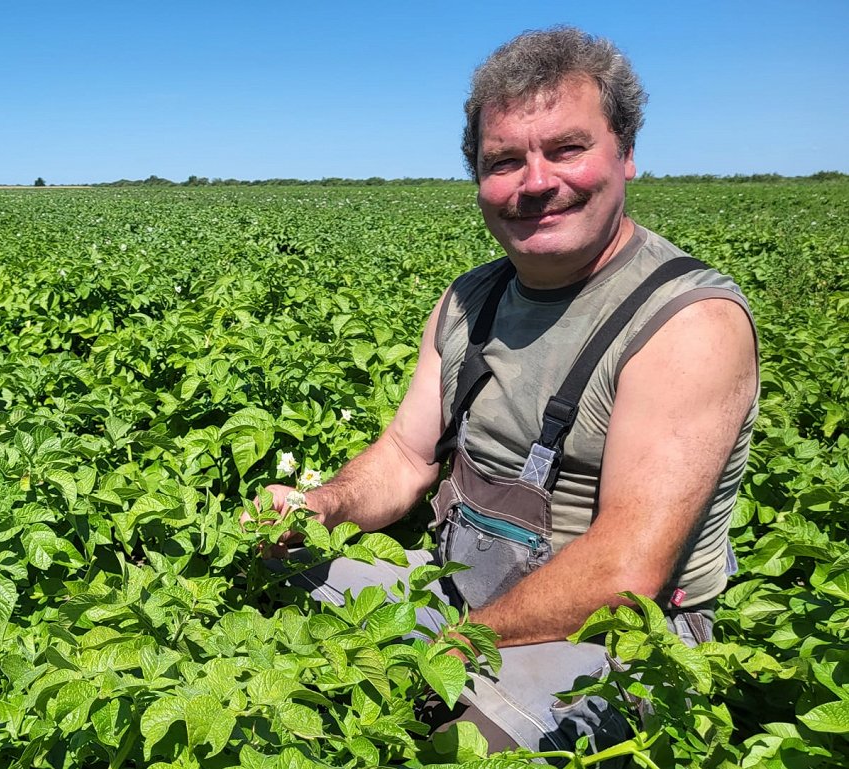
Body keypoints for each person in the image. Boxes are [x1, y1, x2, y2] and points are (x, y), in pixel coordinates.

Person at [253, 26, 759, 755]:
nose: (535, 182)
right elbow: (402, 454)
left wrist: (450, 647)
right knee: (282, 578)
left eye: (566, 148)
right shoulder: (470, 300)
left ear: (625, 153)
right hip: (467, 592)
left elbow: (625, 570)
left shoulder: (686, 323)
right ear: (477, 178)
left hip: (612, 636)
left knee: (460, 748)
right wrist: (320, 506)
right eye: (504, 161)